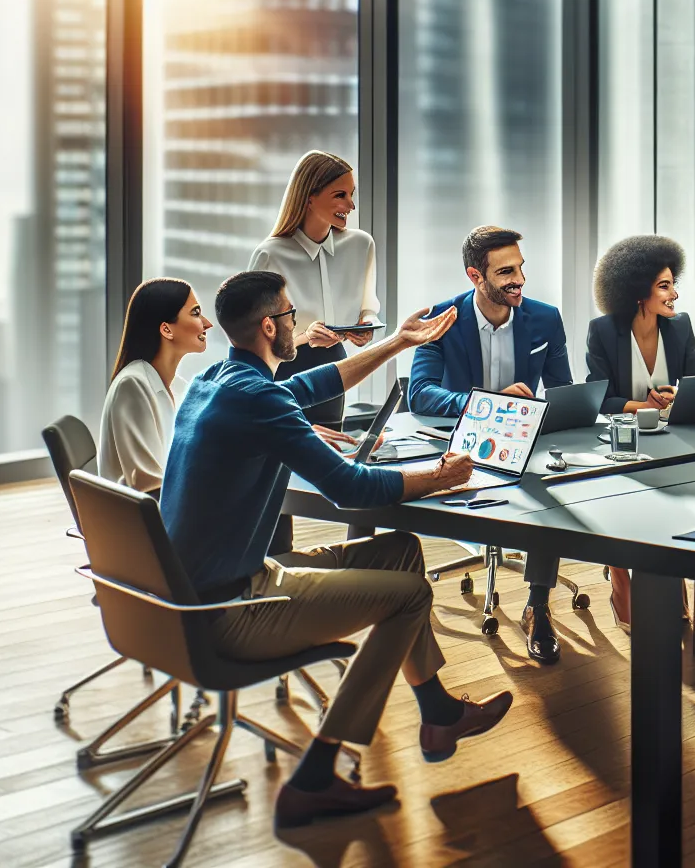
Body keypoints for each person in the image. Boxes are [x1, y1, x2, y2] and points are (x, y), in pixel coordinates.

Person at [161, 270, 512, 829]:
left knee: (399, 553)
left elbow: (317, 385)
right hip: (226, 610)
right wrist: (440, 477)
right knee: (409, 595)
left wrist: (398, 342)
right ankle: (315, 778)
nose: (298, 323)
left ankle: (439, 712)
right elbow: (350, 489)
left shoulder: (219, 380)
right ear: (272, 326)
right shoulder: (257, 399)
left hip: (196, 592)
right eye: (292, 315)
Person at [409, 225, 574, 664]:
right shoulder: (442, 318)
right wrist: (487, 404)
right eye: (505, 272)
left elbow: (563, 389)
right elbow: (420, 393)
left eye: (520, 268)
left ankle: (538, 605)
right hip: (463, 438)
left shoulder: (544, 318)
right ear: (475, 276)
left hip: (524, 438)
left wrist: (558, 409)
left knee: (549, 495)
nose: (518, 279)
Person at [250, 151, 380, 552]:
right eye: (340, 195)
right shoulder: (271, 254)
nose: (351, 206)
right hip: (285, 370)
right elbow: (254, 333)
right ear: (309, 196)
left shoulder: (361, 245)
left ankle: (360, 557)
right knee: (275, 476)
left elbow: (368, 302)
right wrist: (305, 335)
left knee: (340, 462)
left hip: (334, 367)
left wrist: (364, 327)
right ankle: (277, 564)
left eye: (352, 195)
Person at [585, 235, 695, 628]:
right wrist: (642, 406)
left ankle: (673, 578)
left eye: (673, 283)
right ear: (639, 292)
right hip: (617, 442)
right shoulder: (603, 331)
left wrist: (679, 395)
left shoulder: (680, 327)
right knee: (614, 496)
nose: (674, 294)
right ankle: (619, 578)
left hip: (670, 440)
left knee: (684, 494)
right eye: (664, 285)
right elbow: (599, 399)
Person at [97, 278, 212, 495]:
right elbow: (148, 485)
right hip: (145, 523)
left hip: (169, 510)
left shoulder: (178, 387)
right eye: (196, 313)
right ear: (167, 330)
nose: (207, 323)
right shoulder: (132, 385)